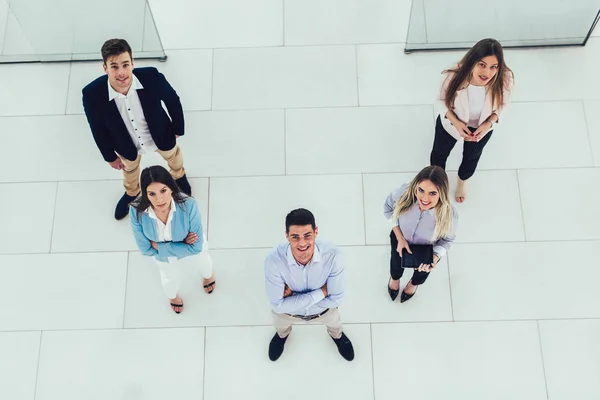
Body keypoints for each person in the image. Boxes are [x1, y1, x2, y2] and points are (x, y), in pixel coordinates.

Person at [83, 38, 192, 220]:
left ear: (133, 63)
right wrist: (109, 156)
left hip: (159, 134)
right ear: (105, 68)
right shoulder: (92, 94)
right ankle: (132, 192)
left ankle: (179, 177)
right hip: (125, 143)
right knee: (130, 169)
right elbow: (96, 127)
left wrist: (178, 128)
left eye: (125, 65)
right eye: (114, 66)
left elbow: (172, 100)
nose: (121, 73)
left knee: (173, 156)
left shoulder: (151, 76)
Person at [430, 38, 514, 203]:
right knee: (439, 154)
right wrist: (455, 122)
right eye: (482, 65)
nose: (487, 73)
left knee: (471, 157)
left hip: (481, 128)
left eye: (493, 67)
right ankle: (436, 183)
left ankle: (462, 181)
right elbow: (439, 101)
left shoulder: (504, 78)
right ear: (472, 61)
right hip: (451, 123)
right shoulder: (452, 75)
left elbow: (504, 105)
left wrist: (489, 123)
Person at [264, 208, 354, 362]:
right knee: (280, 325)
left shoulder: (333, 256)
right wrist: (322, 292)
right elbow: (278, 306)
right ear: (286, 235)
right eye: (295, 237)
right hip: (287, 314)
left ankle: (337, 336)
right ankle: (282, 335)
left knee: (335, 324)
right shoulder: (273, 261)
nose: (302, 243)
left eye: (307, 235)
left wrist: (292, 297)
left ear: (316, 232)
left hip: (324, 311)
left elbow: (336, 299)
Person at [129, 166, 215, 314]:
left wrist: (159, 246)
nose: (159, 199)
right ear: (145, 194)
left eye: (163, 190)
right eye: (152, 194)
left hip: (164, 252)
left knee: (204, 260)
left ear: (171, 188)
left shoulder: (188, 205)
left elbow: (196, 247)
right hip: (165, 257)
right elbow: (145, 249)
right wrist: (184, 244)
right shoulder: (136, 211)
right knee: (169, 279)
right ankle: (173, 297)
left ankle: (208, 277)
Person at [384, 166, 458, 303]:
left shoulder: (449, 214)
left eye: (432, 193)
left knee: (422, 273)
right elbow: (388, 209)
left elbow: (447, 240)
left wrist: (434, 257)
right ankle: (395, 279)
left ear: (441, 193)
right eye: (421, 190)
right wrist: (399, 238)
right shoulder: (404, 193)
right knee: (395, 263)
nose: (424, 198)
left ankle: (413, 284)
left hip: (427, 249)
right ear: (416, 186)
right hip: (400, 237)